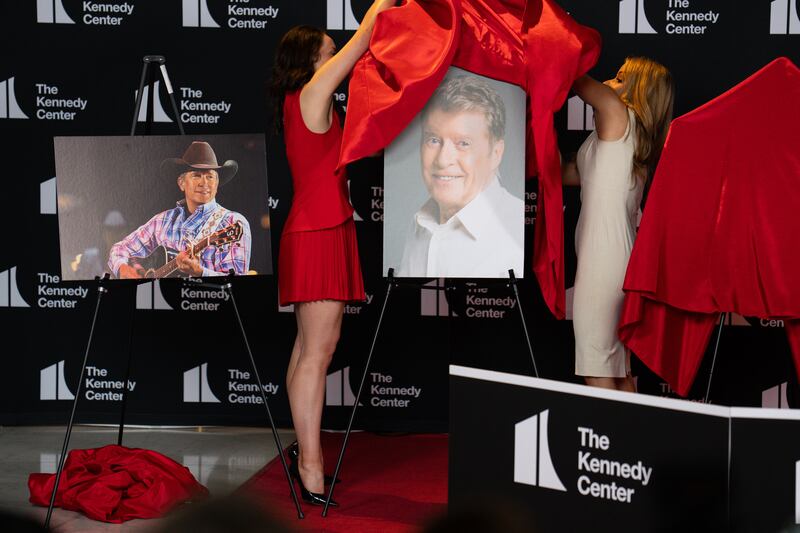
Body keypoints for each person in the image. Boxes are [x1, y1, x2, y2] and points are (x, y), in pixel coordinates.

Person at [269, 0, 395, 506]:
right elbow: (363, 39)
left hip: (323, 226)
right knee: (317, 354)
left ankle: (304, 454)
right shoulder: (314, 91)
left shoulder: (307, 99)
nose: (335, 54)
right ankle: (310, 465)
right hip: (318, 230)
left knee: (308, 350)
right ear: (311, 60)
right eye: (328, 50)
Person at [562, 57, 674, 391]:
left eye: (620, 78)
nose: (610, 81)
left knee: (596, 364)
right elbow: (571, 175)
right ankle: (632, 426)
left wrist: (550, 46)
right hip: (616, 257)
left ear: (638, 91)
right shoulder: (627, 132)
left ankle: (609, 428)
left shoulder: (616, 114)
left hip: (604, 260)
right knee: (616, 367)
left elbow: (576, 78)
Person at [397, 75, 524, 278]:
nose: (442, 160)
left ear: (496, 153)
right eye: (433, 140)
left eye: (463, 143)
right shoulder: (419, 224)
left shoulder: (517, 229)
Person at [108, 141, 252, 279]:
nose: (204, 183)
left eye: (210, 176)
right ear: (181, 183)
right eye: (196, 175)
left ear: (217, 183)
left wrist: (201, 272)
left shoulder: (233, 223)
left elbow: (237, 283)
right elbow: (120, 249)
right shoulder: (162, 221)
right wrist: (122, 268)